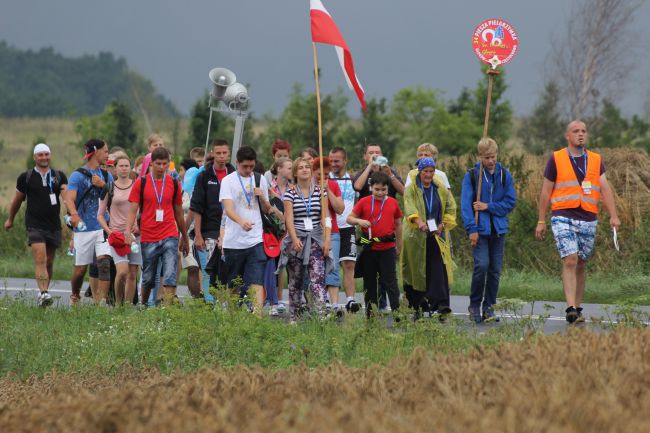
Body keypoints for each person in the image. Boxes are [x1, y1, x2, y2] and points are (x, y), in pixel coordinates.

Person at [535, 120, 620, 324]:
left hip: (588, 218)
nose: (580, 134)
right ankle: (570, 307)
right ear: (567, 136)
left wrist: (614, 216)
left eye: (583, 131)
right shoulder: (556, 158)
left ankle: (578, 308)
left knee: (581, 262)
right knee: (570, 259)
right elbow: (546, 191)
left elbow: (605, 188)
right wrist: (541, 220)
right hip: (563, 215)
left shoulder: (596, 160)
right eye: (576, 131)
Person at [4, 143, 68, 307]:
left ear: (50, 156)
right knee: (41, 258)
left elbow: (67, 198)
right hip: (34, 225)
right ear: (34, 157)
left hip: (54, 225)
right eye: (40, 155)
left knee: (49, 261)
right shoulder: (26, 177)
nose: (44, 157)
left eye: (46, 154)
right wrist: (10, 219)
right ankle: (44, 293)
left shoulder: (59, 176)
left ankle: (43, 292)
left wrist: (72, 214)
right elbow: (17, 200)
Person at [460, 138, 516, 322]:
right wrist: (471, 229)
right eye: (487, 157)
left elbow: (510, 203)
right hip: (480, 230)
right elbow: (466, 206)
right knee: (481, 266)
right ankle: (474, 304)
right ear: (480, 156)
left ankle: (489, 307)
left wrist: (488, 206)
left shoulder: (504, 175)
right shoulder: (472, 176)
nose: (491, 161)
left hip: (498, 230)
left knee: (495, 270)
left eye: (493, 157)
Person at [219, 146, 281, 314]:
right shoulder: (228, 181)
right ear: (237, 163)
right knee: (234, 283)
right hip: (234, 241)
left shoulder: (260, 179)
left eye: (251, 167)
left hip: (256, 239)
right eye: (244, 166)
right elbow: (228, 209)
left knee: (256, 279)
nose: (248, 170)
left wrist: (262, 197)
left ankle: (257, 317)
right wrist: (241, 221)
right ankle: (232, 315)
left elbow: (268, 208)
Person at [125, 147, 189, 305]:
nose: (161, 167)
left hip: (169, 233)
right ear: (151, 164)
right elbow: (133, 209)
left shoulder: (174, 183)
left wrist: (185, 237)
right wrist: (127, 230)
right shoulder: (142, 182)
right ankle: (144, 304)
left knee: (170, 273)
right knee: (148, 277)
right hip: (148, 235)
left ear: (169, 164)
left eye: (165, 164)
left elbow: (179, 213)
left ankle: (167, 309)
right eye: (158, 164)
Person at [402, 157, 457, 320]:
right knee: (417, 270)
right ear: (420, 172)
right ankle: (418, 307)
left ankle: (442, 305)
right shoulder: (411, 188)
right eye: (425, 171)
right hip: (416, 235)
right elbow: (409, 206)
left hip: (435, 233)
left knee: (438, 267)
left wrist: (443, 224)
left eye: (431, 171)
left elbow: (450, 206)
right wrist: (418, 221)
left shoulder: (439, 187)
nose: (428, 174)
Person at [277, 157, 331, 322]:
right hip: (298, 238)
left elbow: (326, 217)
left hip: (315, 238)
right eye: (300, 167)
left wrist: (327, 240)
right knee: (296, 280)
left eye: (307, 167)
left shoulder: (321, 191)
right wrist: (293, 239)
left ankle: (321, 315)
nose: (305, 170)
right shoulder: (290, 193)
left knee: (317, 278)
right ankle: (295, 315)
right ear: (295, 172)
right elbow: (289, 219)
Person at [353, 143, 404, 311]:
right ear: (371, 188)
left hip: (388, 245)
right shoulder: (364, 200)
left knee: (390, 280)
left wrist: (399, 244)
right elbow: (350, 216)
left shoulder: (392, 201)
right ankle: (371, 313)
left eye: (383, 190)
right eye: (377, 190)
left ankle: (397, 313)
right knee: (370, 280)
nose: (380, 193)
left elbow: (398, 223)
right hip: (370, 245)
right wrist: (359, 222)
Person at [65, 139, 114, 305]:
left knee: (104, 262)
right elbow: (69, 198)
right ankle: (74, 295)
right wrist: (74, 215)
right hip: (84, 228)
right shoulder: (77, 175)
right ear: (96, 152)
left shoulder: (107, 176)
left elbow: (114, 198)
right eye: (105, 151)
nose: (107, 155)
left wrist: (104, 186)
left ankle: (100, 304)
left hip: (102, 227)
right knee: (80, 270)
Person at [191, 140, 236, 302]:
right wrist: (197, 234)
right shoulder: (204, 175)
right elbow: (196, 207)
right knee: (209, 268)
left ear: (229, 153)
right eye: (218, 153)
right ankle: (209, 303)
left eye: (224, 153)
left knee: (229, 268)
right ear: (212, 153)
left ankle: (226, 303)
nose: (222, 156)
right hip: (209, 230)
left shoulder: (234, 174)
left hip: (231, 230)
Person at [97, 155, 142, 306]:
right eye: (121, 166)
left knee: (133, 273)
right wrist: (109, 231)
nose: (124, 168)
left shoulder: (138, 186)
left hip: (134, 236)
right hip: (117, 236)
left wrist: (138, 225)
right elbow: (100, 215)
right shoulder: (108, 187)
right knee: (121, 272)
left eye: (127, 166)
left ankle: (128, 307)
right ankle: (117, 303)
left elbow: (142, 210)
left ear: (130, 168)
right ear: (115, 169)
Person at [328, 147, 361, 313]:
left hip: (348, 227)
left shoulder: (353, 180)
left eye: (336, 161)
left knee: (349, 264)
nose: (333, 164)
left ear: (345, 161)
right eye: (331, 161)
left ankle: (350, 300)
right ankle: (328, 300)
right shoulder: (326, 179)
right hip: (330, 228)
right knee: (330, 265)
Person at [313, 157, 344, 314]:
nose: (322, 177)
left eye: (326, 174)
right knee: (315, 269)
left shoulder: (333, 184)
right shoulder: (307, 186)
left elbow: (340, 209)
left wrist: (328, 190)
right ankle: (318, 302)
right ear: (313, 172)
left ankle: (335, 304)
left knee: (332, 266)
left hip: (332, 232)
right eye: (319, 175)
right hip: (313, 232)